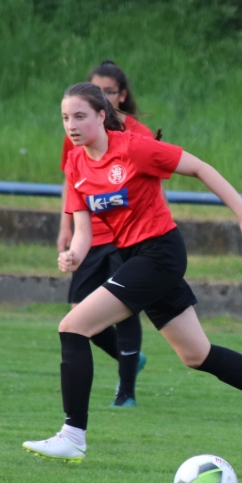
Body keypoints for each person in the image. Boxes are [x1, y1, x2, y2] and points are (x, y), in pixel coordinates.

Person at [23, 82, 242, 462]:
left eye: (80, 116)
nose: (71, 125)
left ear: (101, 115)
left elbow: (201, 168)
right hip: (135, 257)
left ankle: (73, 435)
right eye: (65, 118)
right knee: (197, 354)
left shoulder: (134, 148)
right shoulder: (76, 164)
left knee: (72, 327)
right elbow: (83, 231)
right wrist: (73, 255)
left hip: (160, 253)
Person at [56, 61, 153, 408]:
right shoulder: (78, 133)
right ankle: (130, 359)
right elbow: (72, 183)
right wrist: (66, 227)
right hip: (90, 236)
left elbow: (153, 185)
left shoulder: (137, 136)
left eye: (108, 91)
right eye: (97, 90)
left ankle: (126, 391)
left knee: (124, 310)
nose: (103, 96)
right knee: (78, 313)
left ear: (121, 96)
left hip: (124, 236)